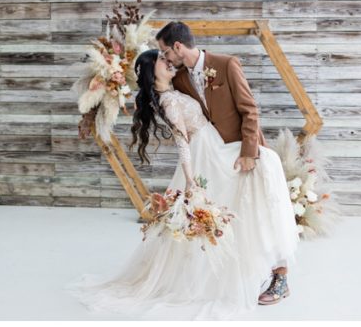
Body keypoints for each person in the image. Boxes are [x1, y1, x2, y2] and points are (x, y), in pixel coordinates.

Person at [69, 42, 298, 318]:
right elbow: (182, 141)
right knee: (250, 184)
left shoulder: (176, 87)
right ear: (152, 74)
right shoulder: (167, 100)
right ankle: (258, 273)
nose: (168, 62)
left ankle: (270, 270)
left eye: (166, 58)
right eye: (161, 62)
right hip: (207, 153)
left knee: (260, 176)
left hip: (216, 144)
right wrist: (190, 179)